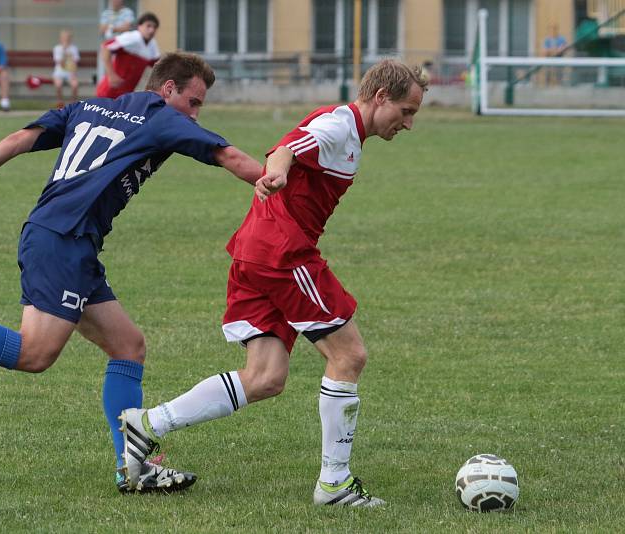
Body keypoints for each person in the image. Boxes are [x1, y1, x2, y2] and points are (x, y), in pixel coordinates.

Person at [0, 52, 283, 495]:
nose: (196, 114)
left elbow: (16, 139)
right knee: (35, 353)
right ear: (167, 89)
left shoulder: (87, 106)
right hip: (62, 240)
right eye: (194, 102)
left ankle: (133, 467)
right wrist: (284, 183)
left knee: (128, 345)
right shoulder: (162, 117)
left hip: (65, 240)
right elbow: (232, 157)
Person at [119, 59, 428, 506]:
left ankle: (147, 424)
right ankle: (335, 484)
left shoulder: (348, 132)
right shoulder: (338, 123)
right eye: (407, 111)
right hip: (282, 253)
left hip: (255, 251)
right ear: (381, 97)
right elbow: (286, 148)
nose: (409, 123)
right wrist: (278, 170)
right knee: (349, 355)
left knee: (265, 377)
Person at [96, 12, 160, 99]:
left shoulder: (153, 44)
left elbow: (158, 67)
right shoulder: (133, 37)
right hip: (109, 92)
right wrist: (111, 75)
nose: (152, 30)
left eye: (154, 27)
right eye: (148, 26)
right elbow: (106, 47)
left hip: (126, 96)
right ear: (139, 27)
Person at [97, 0, 136, 84]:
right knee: (104, 72)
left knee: (119, 72)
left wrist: (111, 28)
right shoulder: (106, 13)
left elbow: (127, 27)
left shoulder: (128, 12)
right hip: (107, 45)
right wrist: (117, 28)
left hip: (122, 48)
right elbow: (101, 29)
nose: (114, 1)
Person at [53, 29, 81, 108]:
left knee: (75, 85)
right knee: (58, 85)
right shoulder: (57, 48)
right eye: (64, 38)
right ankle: (60, 103)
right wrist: (64, 51)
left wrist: (73, 73)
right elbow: (61, 64)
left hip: (71, 72)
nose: (66, 39)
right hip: (59, 72)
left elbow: (75, 63)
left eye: (68, 38)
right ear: (61, 39)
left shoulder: (74, 48)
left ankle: (73, 104)